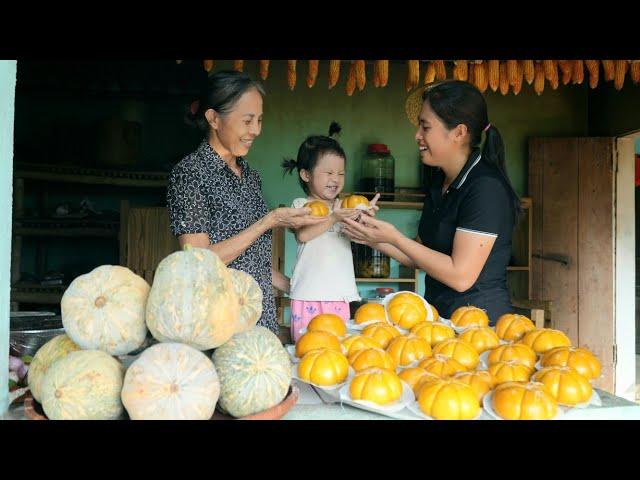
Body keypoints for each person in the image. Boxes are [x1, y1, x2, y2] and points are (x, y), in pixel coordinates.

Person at [342, 80, 521, 325]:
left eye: (425, 127)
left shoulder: (485, 187)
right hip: (441, 322)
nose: (417, 136)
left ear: (459, 132)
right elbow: (417, 255)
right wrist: (369, 234)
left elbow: (461, 276)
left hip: (480, 326)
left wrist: (394, 236)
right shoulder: (439, 181)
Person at [167, 70, 324, 335]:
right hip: (218, 324)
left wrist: (299, 286)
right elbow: (199, 261)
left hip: (260, 320)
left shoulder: (250, 176)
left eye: (259, 120)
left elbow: (251, 261)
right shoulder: (190, 174)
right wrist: (269, 221)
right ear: (213, 118)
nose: (256, 131)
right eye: (247, 120)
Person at [282, 122, 376, 341]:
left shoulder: (346, 206)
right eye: (329, 173)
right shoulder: (300, 205)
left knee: (336, 351)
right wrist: (333, 217)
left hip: (339, 297)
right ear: (306, 175)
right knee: (307, 349)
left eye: (341, 173)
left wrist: (366, 216)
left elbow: (362, 239)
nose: (336, 179)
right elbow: (303, 235)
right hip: (308, 296)